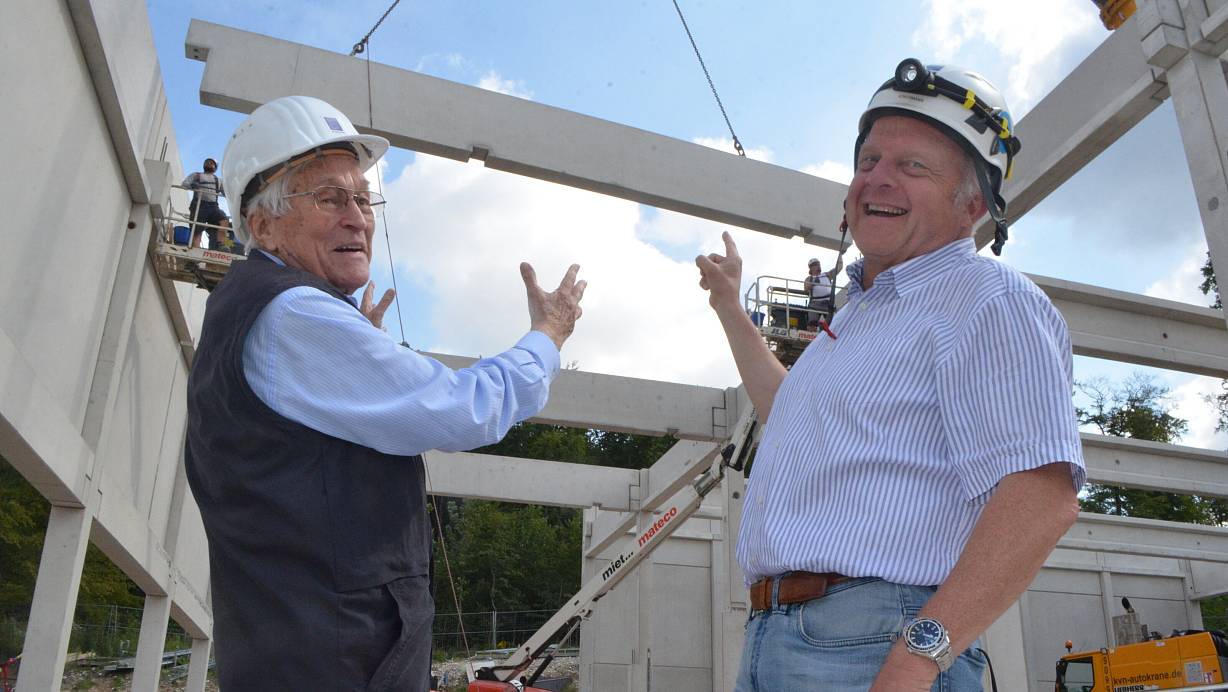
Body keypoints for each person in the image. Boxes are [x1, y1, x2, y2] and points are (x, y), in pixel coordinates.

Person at [696, 59, 1084, 691]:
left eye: (913, 166)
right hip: (777, 638)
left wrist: (915, 661)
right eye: (869, 160)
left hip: (876, 646)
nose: (877, 178)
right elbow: (788, 413)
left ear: (973, 204)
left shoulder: (987, 298)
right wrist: (730, 311)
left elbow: (1042, 498)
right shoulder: (857, 319)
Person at [184, 95, 585, 691]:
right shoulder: (293, 314)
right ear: (261, 223)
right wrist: (547, 337)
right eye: (329, 198)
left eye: (364, 199)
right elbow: (464, 408)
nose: (358, 218)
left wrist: (356, 352)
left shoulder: (259, 313)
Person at [181, 158, 232, 249]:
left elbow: (227, 194)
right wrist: (192, 185)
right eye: (207, 162)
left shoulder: (218, 180)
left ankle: (223, 245)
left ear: (215, 168)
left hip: (213, 207)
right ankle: (195, 251)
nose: (209, 163)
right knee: (197, 230)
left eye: (212, 163)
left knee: (224, 220)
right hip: (199, 206)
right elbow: (184, 184)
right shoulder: (196, 175)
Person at [802, 256, 842, 328]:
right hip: (815, 304)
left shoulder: (827, 275)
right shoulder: (809, 278)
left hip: (828, 303)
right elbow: (805, 289)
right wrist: (813, 283)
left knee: (833, 324)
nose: (818, 266)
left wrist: (840, 255)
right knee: (812, 324)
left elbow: (839, 268)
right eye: (815, 265)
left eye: (818, 264)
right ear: (811, 268)